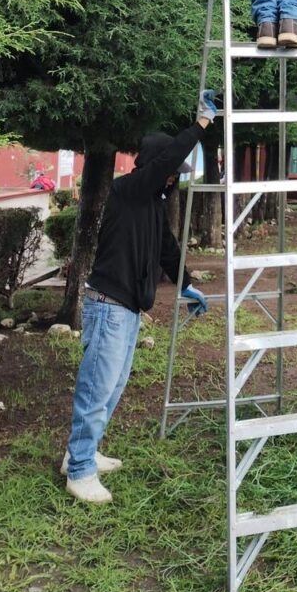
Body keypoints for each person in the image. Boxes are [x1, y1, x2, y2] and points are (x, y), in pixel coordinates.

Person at [62, 90, 219, 504]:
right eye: (170, 171)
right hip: (108, 305)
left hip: (128, 308)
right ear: (153, 165)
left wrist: (185, 284)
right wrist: (202, 123)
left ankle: (82, 453)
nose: (173, 177)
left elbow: (167, 248)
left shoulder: (151, 203)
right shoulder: (128, 190)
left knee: (111, 389)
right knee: (96, 389)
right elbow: (164, 164)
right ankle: (79, 471)